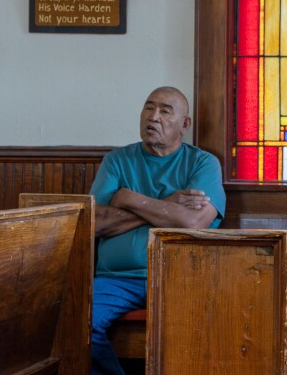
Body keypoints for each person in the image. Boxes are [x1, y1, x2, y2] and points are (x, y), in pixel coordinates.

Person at [90, 86, 226, 375]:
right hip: (116, 280)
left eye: (165, 110)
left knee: (206, 332)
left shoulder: (203, 163)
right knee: (78, 320)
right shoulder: (117, 161)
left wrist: (128, 198)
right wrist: (166, 205)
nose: (153, 116)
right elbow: (95, 223)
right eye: (148, 108)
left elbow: (193, 222)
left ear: (184, 124)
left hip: (180, 277)